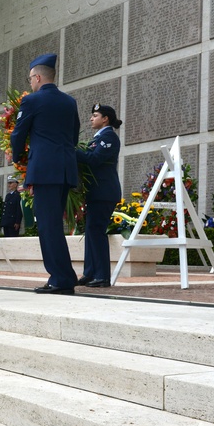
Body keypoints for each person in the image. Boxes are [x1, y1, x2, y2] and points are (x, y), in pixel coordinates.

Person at [10, 53, 80, 295]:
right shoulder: (69, 102)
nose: (30, 83)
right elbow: (74, 136)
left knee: (48, 227)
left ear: (38, 77)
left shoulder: (32, 101)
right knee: (53, 225)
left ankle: (61, 278)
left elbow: (18, 134)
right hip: (64, 170)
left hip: (44, 172)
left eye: (30, 78)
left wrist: (16, 156)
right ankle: (64, 275)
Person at [76, 104, 123, 288]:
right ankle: (90, 273)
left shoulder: (109, 136)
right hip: (96, 192)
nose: (91, 118)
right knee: (91, 232)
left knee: (97, 232)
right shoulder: (98, 138)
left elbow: (95, 160)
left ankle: (102, 276)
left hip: (104, 192)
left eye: (95, 115)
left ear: (105, 119)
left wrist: (71, 151)